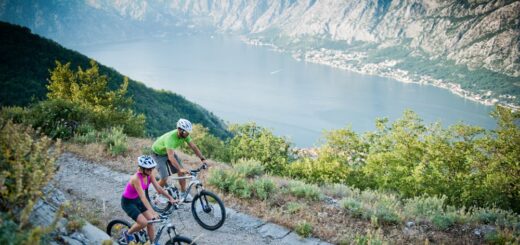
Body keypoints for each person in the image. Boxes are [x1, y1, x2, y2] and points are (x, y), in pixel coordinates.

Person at [121, 155, 176, 244]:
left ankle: (152, 242)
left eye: (152, 169)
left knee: (150, 221)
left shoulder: (149, 175)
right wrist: (153, 213)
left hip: (137, 199)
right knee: (144, 222)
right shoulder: (136, 178)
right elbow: (143, 197)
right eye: (148, 169)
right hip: (128, 202)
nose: (151, 171)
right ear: (142, 168)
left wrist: (171, 198)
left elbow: (159, 188)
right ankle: (127, 233)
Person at [151, 118, 207, 202]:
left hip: (168, 153)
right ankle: (156, 195)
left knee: (181, 172)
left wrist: (203, 159)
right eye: (186, 132)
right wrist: (180, 168)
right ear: (179, 130)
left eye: (188, 132)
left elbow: (193, 147)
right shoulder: (170, 138)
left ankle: (183, 193)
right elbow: (171, 157)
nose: (187, 134)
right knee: (164, 177)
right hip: (157, 154)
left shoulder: (185, 135)